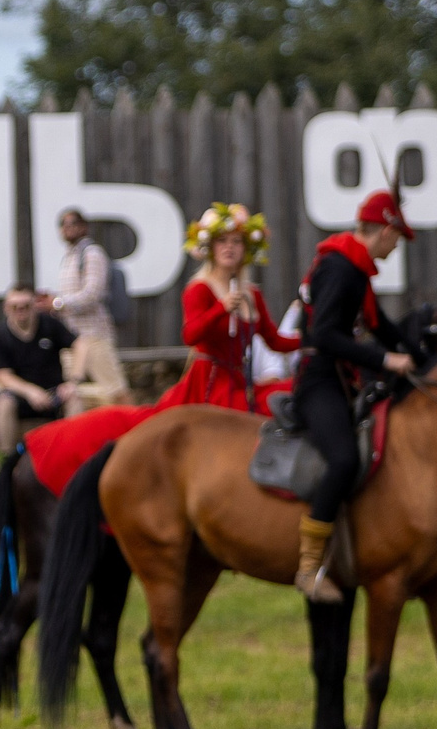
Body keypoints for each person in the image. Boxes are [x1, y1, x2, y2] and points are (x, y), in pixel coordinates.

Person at [291, 191, 416, 604]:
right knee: (344, 459)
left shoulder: (355, 268)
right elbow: (325, 334)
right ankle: (309, 566)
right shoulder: (341, 269)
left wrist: (424, 358)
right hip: (320, 381)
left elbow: (381, 326)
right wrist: (386, 360)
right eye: (396, 238)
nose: (395, 248)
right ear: (385, 231)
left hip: (342, 380)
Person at [168, 203, 299, 413]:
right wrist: (221, 308)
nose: (229, 247)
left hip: (238, 379)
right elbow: (190, 335)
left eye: (236, 241)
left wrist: (311, 338)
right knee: (250, 411)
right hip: (209, 382)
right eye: (222, 241)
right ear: (211, 247)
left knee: (296, 390)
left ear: (246, 249)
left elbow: (274, 340)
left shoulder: (252, 294)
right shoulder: (199, 289)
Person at [51, 207, 128, 408]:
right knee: (73, 395)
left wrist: (58, 303)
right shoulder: (68, 257)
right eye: (63, 224)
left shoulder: (92, 253)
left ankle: (131, 425)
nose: (68, 228)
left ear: (84, 227)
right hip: (72, 339)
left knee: (115, 391)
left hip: (94, 335)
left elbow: (93, 293)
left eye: (73, 223)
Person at [0, 283, 74, 451]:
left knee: (74, 397)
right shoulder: (1, 333)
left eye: (26, 306)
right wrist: (30, 391)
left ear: (34, 305)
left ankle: (72, 451)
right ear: (6, 308)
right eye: (15, 307)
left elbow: (80, 345)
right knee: (4, 402)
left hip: (54, 392)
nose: (20, 310)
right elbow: (2, 374)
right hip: (21, 394)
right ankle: (6, 456)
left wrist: (73, 380)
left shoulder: (50, 324)